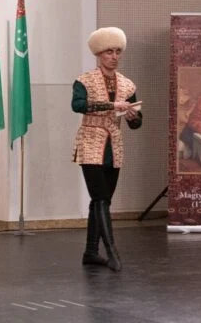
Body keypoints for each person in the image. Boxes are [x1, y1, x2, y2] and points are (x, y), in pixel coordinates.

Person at [72, 27, 142, 272]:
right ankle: (112, 252)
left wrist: (133, 116)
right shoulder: (84, 81)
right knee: (100, 196)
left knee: (102, 200)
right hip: (91, 141)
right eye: (108, 52)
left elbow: (137, 123)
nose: (114, 57)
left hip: (114, 145)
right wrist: (112, 105)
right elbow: (77, 105)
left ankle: (91, 252)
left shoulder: (127, 84)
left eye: (117, 52)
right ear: (99, 54)